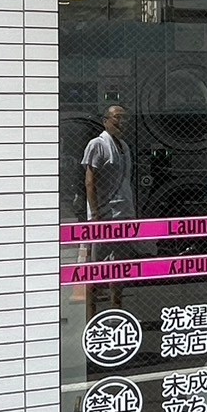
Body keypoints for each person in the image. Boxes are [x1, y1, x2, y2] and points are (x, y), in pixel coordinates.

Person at [83, 105, 135, 315]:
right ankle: (91, 314)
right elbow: (89, 181)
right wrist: (95, 214)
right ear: (105, 120)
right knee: (95, 267)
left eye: (125, 118)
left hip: (123, 212)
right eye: (117, 118)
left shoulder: (124, 146)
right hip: (104, 215)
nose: (122, 122)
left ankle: (116, 311)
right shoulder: (97, 144)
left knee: (119, 267)